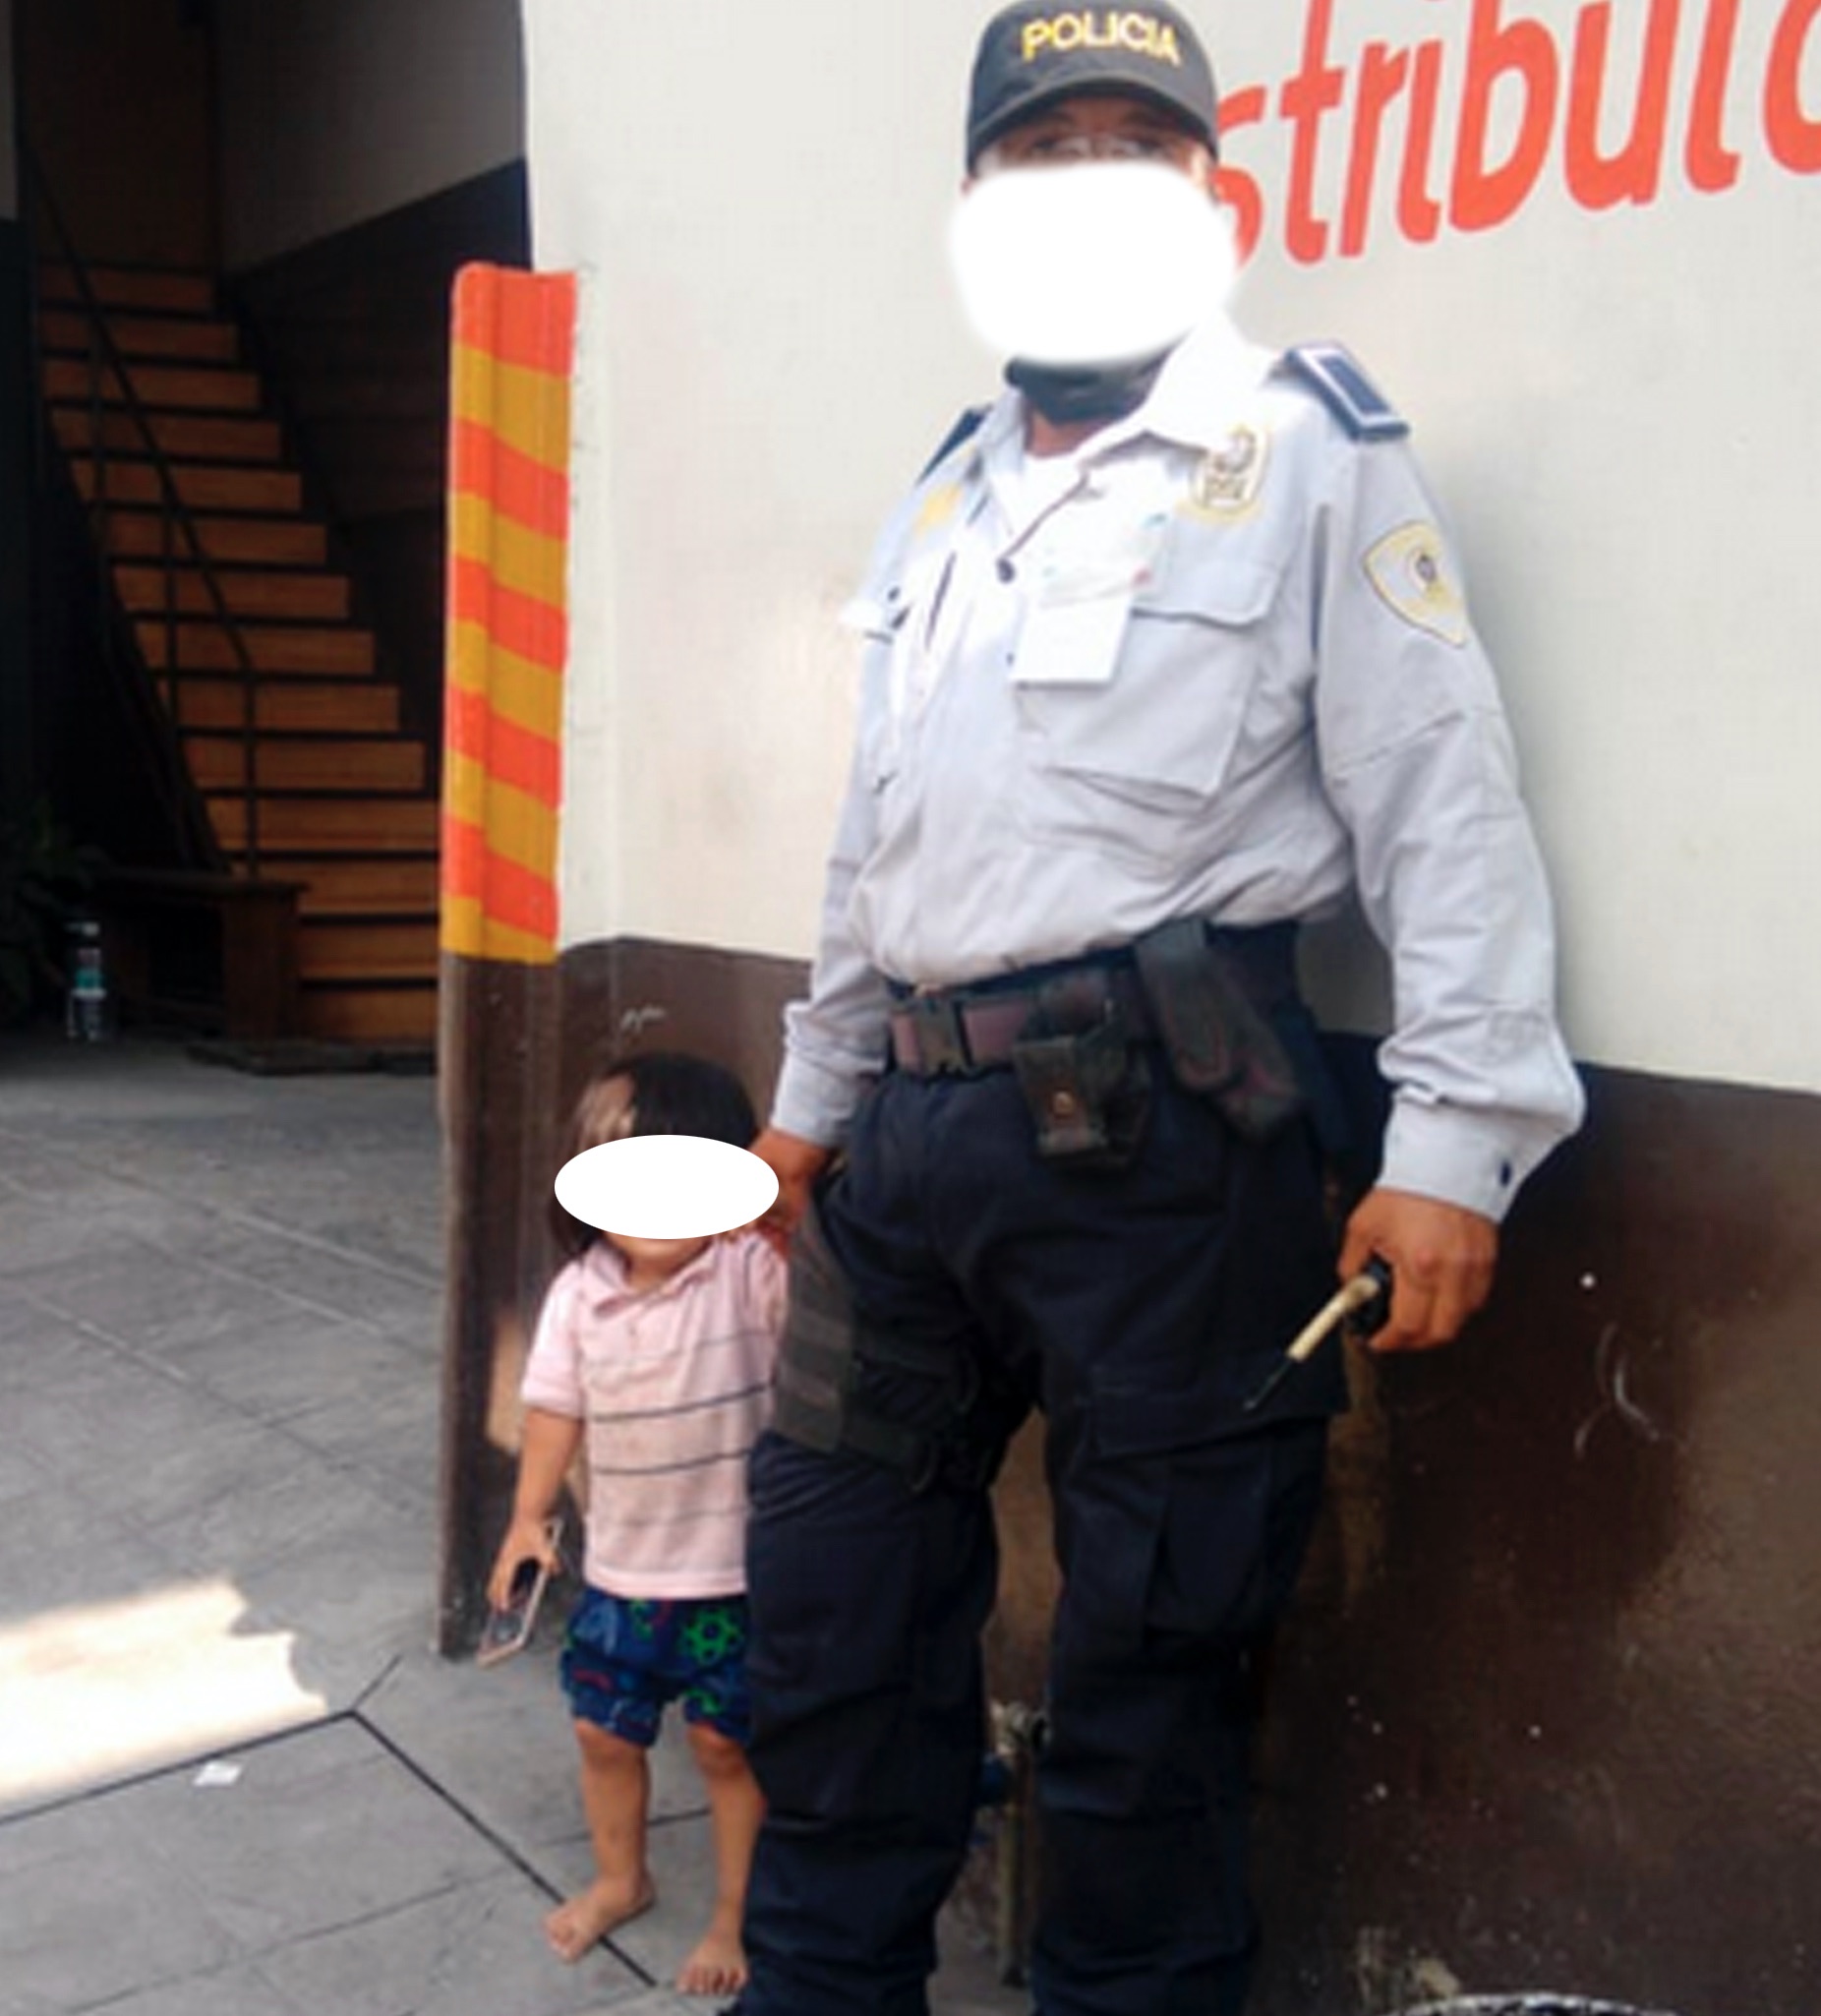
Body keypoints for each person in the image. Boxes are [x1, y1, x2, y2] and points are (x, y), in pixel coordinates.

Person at [734, 5, 1585, 2014]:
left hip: (1169, 1146)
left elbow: (1436, 787)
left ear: (1211, 202)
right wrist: (805, 1100)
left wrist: (1456, 1140)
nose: (1090, 179)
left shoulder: (1296, 444)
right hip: (910, 1152)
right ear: (978, 207)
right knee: (833, 1619)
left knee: (1145, 1677)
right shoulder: (937, 499)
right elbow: (881, 836)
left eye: (1138, 144)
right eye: (1046, 148)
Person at [487, 1050, 787, 1997]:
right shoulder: (582, 1294)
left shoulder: (748, 1275)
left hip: (733, 1581)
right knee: (603, 1736)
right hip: (620, 1577)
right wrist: (526, 1521)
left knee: (725, 1747)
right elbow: (552, 1415)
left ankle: (737, 1913)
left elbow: (809, 1245)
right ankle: (623, 1877)